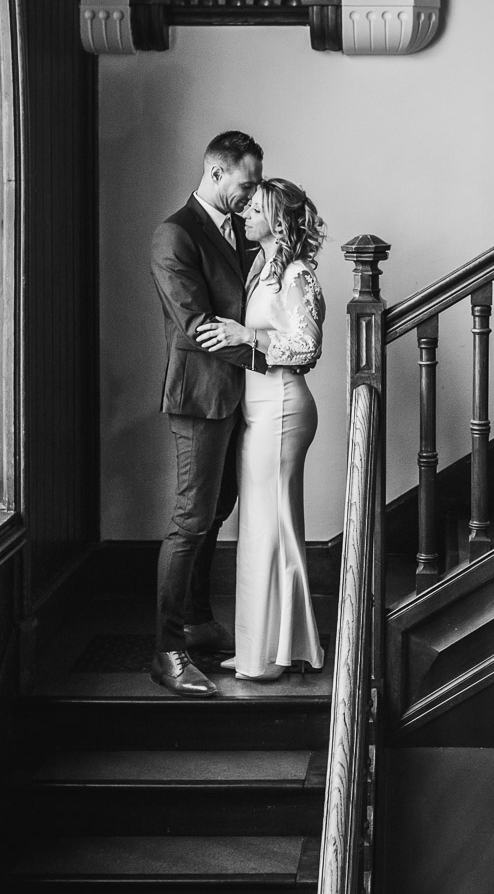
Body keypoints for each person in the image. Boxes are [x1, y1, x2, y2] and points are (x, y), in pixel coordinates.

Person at [193, 178, 327, 681]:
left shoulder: (297, 274)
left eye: (257, 206)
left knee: (273, 528)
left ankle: (273, 655)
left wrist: (247, 334)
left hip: (283, 408)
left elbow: (307, 348)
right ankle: (260, 646)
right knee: (258, 527)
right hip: (258, 408)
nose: (246, 211)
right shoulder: (259, 267)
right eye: (247, 204)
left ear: (281, 218)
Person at [148, 130, 266, 698]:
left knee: (218, 508)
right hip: (198, 396)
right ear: (215, 172)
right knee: (189, 520)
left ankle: (196, 620)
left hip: (237, 395)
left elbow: (242, 308)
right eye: (245, 185)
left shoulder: (238, 231)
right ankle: (167, 650)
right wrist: (271, 352)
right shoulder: (175, 234)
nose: (251, 196)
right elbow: (198, 327)